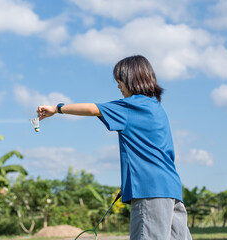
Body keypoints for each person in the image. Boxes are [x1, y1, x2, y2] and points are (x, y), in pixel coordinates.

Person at [37, 55, 192, 240]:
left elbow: (92, 109)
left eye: (120, 81)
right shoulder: (155, 107)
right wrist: (129, 181)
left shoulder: (131, 106)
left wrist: (57, 108)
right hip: (171, 190)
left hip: (149, 190)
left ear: (133, 80)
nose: (118, 86)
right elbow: (152, 152)